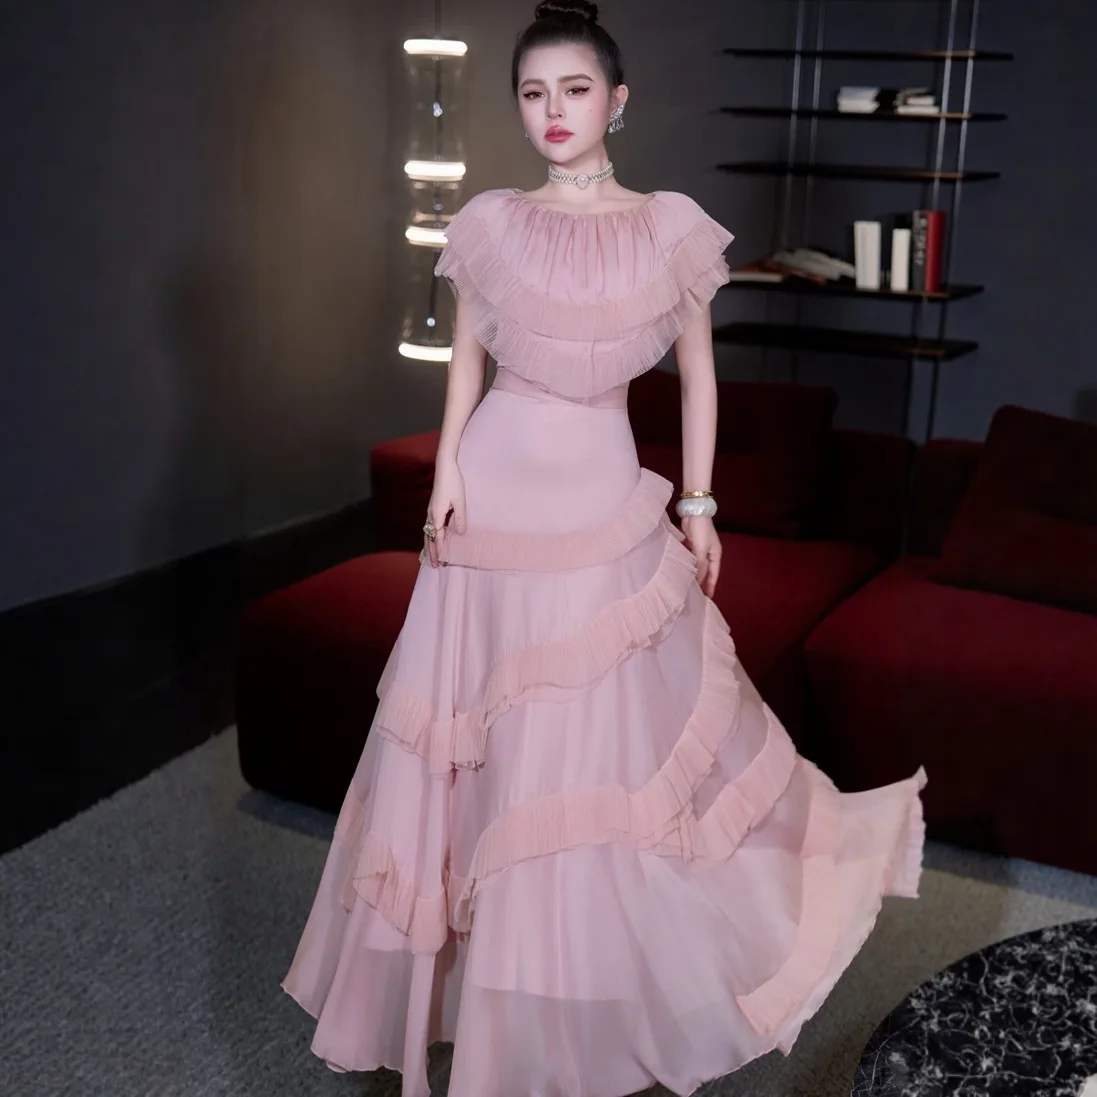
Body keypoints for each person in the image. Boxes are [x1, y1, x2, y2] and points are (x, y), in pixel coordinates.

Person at [282, 2, 927, 1094]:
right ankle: (490, 1001)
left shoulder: (669, 228)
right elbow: (468, 358)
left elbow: (700, 375)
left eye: (573, 91)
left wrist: (700, 504)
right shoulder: (490, 221)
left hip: (600, 499)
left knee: (584, 755)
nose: (552, 112)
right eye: (532, 93)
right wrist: (445, 470)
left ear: (615, 101)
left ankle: (563, 1003)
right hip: (493, 498)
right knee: (474, 748)